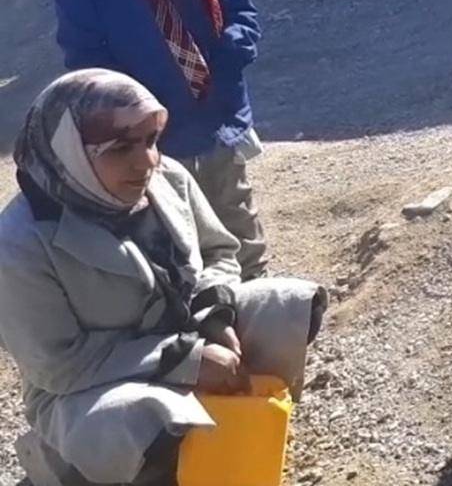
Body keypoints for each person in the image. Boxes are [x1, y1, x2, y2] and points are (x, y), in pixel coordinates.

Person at [0, 70, 326, 485]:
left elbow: (218, 252)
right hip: (92, 385)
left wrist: (216, 316)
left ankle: (234, 432)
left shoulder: (167, 179)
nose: (146, 161)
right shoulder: (19, 244)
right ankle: (65, 465)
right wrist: (184, 360)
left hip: (189, 333)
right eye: (119, 147)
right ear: (69, 152)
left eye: (151, 141)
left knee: (289, 309)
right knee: (150, 420)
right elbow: (61, 366)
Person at [56, 0, 269, 279]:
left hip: (213, 110)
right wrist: (124, 115)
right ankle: (204, 314)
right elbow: (83, 51)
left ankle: (259, 302)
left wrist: (231, 52)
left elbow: (236, 5)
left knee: (233, 210)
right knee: (171, 225)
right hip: (147, 129)